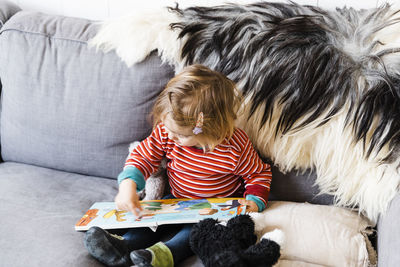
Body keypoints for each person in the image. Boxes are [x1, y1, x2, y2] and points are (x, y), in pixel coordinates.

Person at [84, 64, 272, 267]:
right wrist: (128, 185)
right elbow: (143, 157)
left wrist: (254, 202)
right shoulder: (167, 134)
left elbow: (258, 174)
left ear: (209, 127)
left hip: (214, 208)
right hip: (175, 200)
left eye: (181, 134)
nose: (171, 136)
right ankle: (123, 247)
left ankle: (160, 256)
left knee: (193, 235)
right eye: (167, 128)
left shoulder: (235, 146)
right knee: (147, 220)